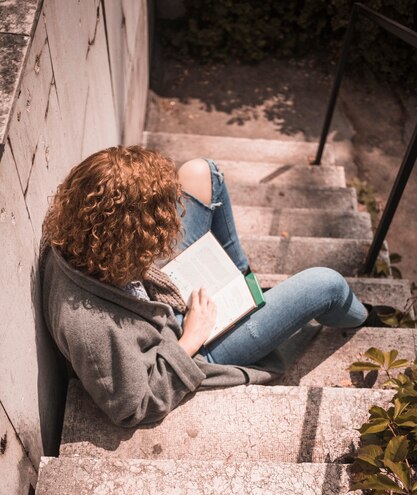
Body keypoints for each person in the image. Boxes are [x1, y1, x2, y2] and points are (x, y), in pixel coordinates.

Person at [41, 145, 369, 428]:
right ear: (132, 238)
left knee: (203, 172)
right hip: (191, 344)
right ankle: (364, 320)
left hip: (158, 294)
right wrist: (191, 338)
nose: (171, 221)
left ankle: (238, 280)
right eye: (159, 219)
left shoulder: (80, 235)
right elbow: (134, 405)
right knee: (326, 284)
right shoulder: (90, 328)